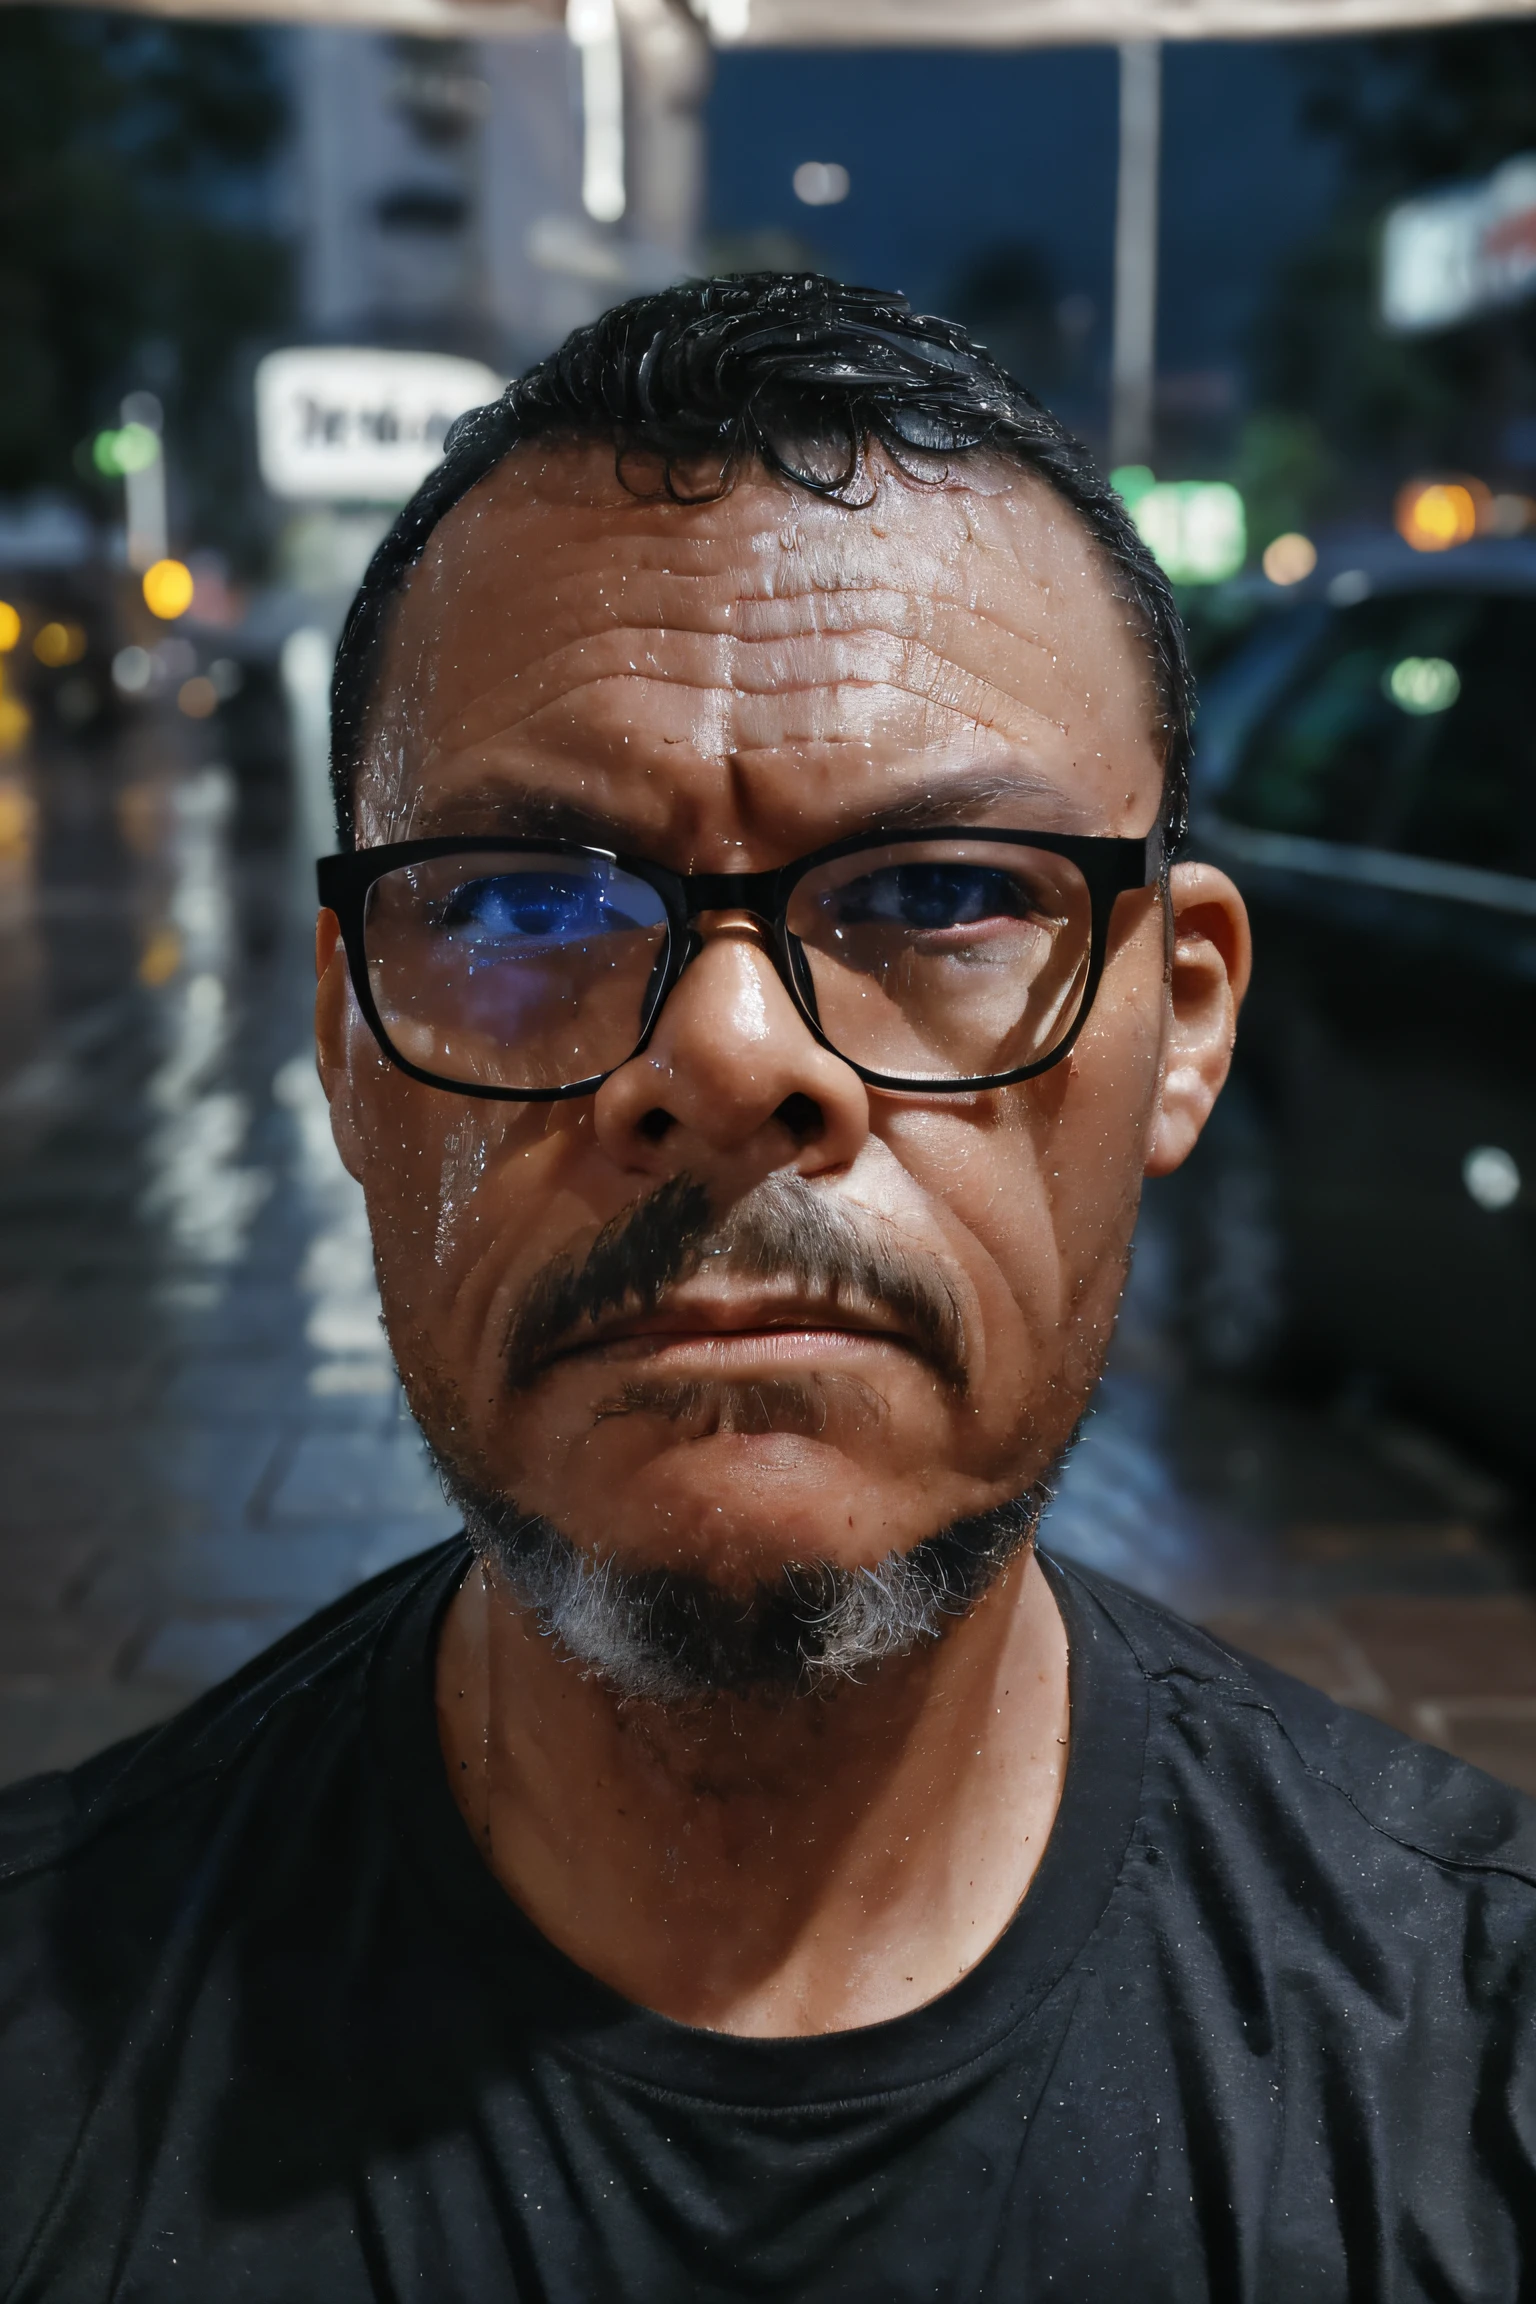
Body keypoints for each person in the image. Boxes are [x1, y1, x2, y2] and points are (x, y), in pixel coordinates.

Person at [2, 273, 1533, 2301]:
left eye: (937, 896)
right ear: (351, 1042)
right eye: (527, 903)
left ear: (1182, 1025)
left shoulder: (1478, 2069)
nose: (729, 1057)